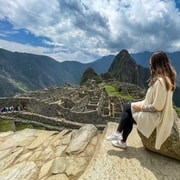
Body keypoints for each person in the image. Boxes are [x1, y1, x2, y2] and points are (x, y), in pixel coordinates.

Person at [106, 51, 176, 150]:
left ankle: (120, 136)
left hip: (156, 116)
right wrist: (139, 106)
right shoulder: (166, 79)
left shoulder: (161, 82)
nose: (150, 66)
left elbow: (158, 107)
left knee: (128, 112)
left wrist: (141, 108)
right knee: (128, 106)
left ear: (157, 64)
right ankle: (120, 138)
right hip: (155, 111)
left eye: (151, 64)